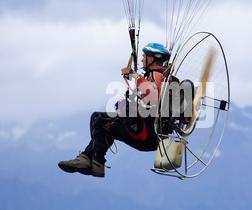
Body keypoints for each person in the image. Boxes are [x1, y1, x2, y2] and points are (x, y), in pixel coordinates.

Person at [58, 43, 171, 178]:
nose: (141, 60)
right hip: (152, 136)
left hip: (145, 133)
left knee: (98, 120)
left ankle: (96, 162)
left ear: (151, 59)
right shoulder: (166, 77)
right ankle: (87, 158)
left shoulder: (157, 75)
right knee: (105, 123)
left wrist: (136, 77)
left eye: (144, 57)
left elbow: (153, 97)